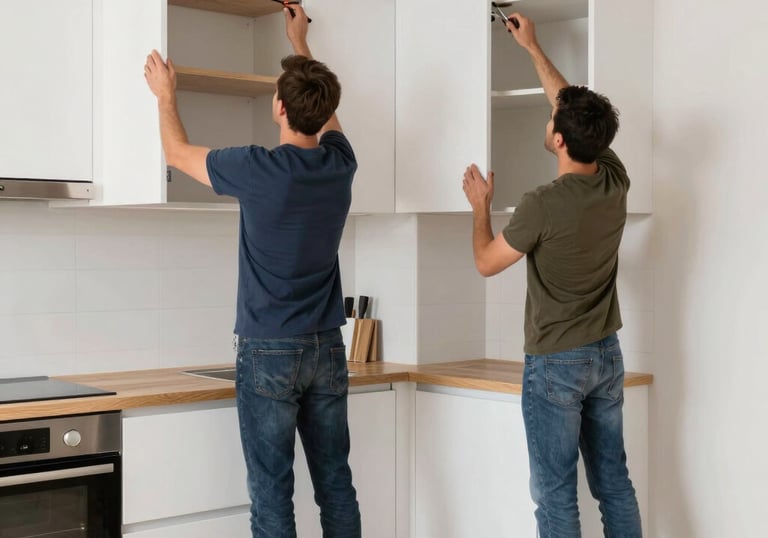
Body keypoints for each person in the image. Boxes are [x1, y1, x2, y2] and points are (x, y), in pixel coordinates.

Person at [144, 5, 361, 538]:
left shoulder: (257, 168)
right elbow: (327, 113)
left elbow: (174, 151)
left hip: (270, 348)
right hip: (328, 346)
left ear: (277, 107)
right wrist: (299, 43)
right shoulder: (341, 163)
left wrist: (166, 94)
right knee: (336, 483)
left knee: (271, 491)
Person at [461, 12, 643, 538]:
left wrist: (480, 206)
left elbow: (485, 263)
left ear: (561, 141)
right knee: (614, 484)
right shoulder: (614, 179)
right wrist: (532, 48)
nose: (551, 121)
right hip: (606, 356)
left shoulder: (540, 204)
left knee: (555, 494)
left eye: (554, 124)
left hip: (556, 365)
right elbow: (571, 108)